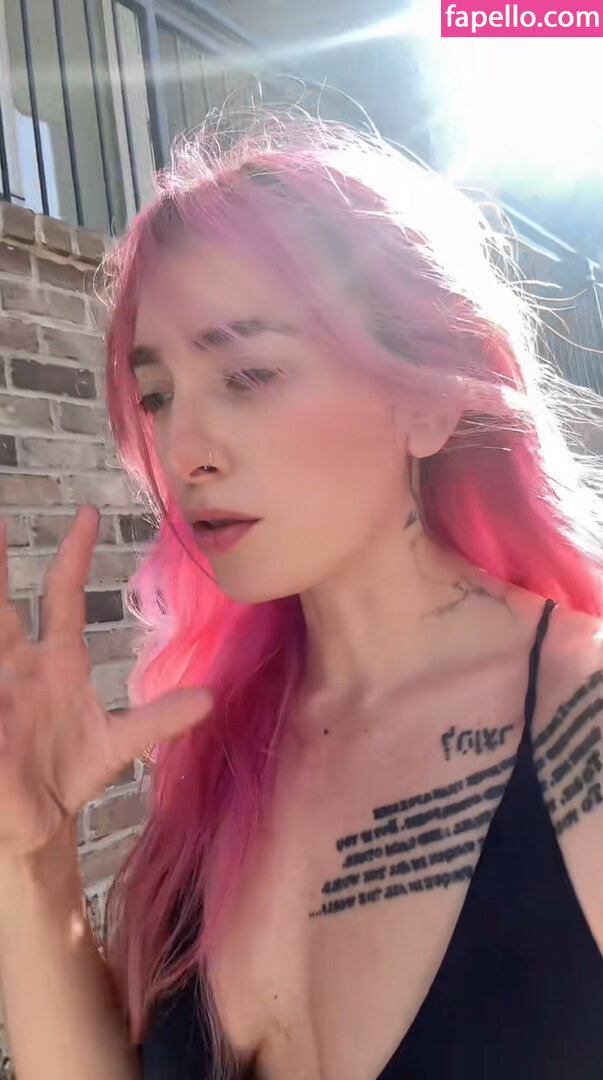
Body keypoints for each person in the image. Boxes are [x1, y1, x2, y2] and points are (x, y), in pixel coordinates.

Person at [0, 111, 602, 1080]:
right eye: (157, 396)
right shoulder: (216, 755)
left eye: (249, 374)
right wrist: (31, 861)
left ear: (428, 402)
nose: (184, 450)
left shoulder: (583, 724)